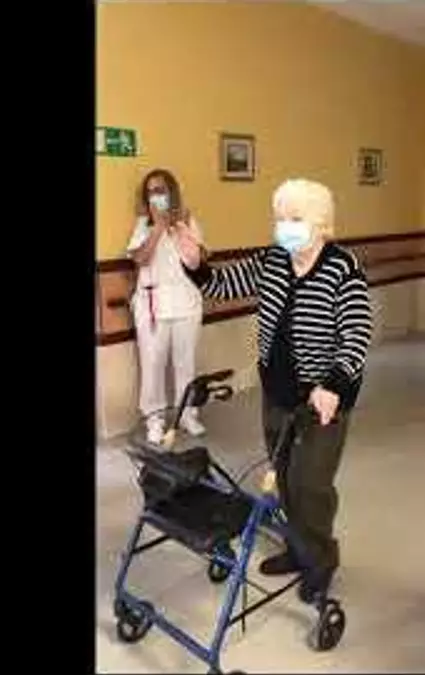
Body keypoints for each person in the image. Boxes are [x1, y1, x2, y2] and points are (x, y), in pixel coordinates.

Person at [175, 178, 373, 600]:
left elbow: (357, 333)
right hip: (278, 392)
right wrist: (195, 264)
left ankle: (320, 559)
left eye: (294, 218)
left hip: (322, 401)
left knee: (310, 485)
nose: (284, 227)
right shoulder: (272, 260)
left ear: (320, 224)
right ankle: (298, 549)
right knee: (282, 475)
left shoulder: (343, 269)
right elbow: (223, 285)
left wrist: (334, 385)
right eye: (280, 218)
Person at [126, 168, 207, 444]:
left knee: (186, 364)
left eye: (160, 190)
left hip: (186, 303)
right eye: (150, 191)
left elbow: (198, 260)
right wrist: (158, 227)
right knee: (153, 364)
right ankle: (155, 418)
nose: (155, 195)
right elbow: (141, 259)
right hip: (153, 306)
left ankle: (187, 414)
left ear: (171, 192)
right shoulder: (143, 225)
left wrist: (179, 227)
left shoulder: (188, 220)